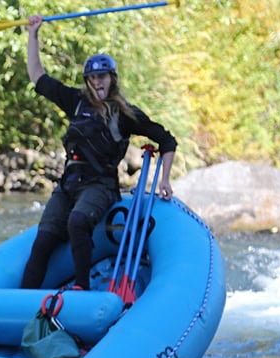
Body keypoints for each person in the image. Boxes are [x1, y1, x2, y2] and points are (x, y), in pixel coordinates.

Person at [20, 14, 177, 291]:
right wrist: (33, 34)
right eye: (91, 78)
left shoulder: (125, 114)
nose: (96, 82)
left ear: (112, 79)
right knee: (43, 240)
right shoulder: (76, 102)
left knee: (77, 222)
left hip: (101, 186)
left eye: (101, 76)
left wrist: (165, 180)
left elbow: (167, 142)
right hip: (69, 184)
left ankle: (82, 288)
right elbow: (37, 76)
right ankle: (21, 300)